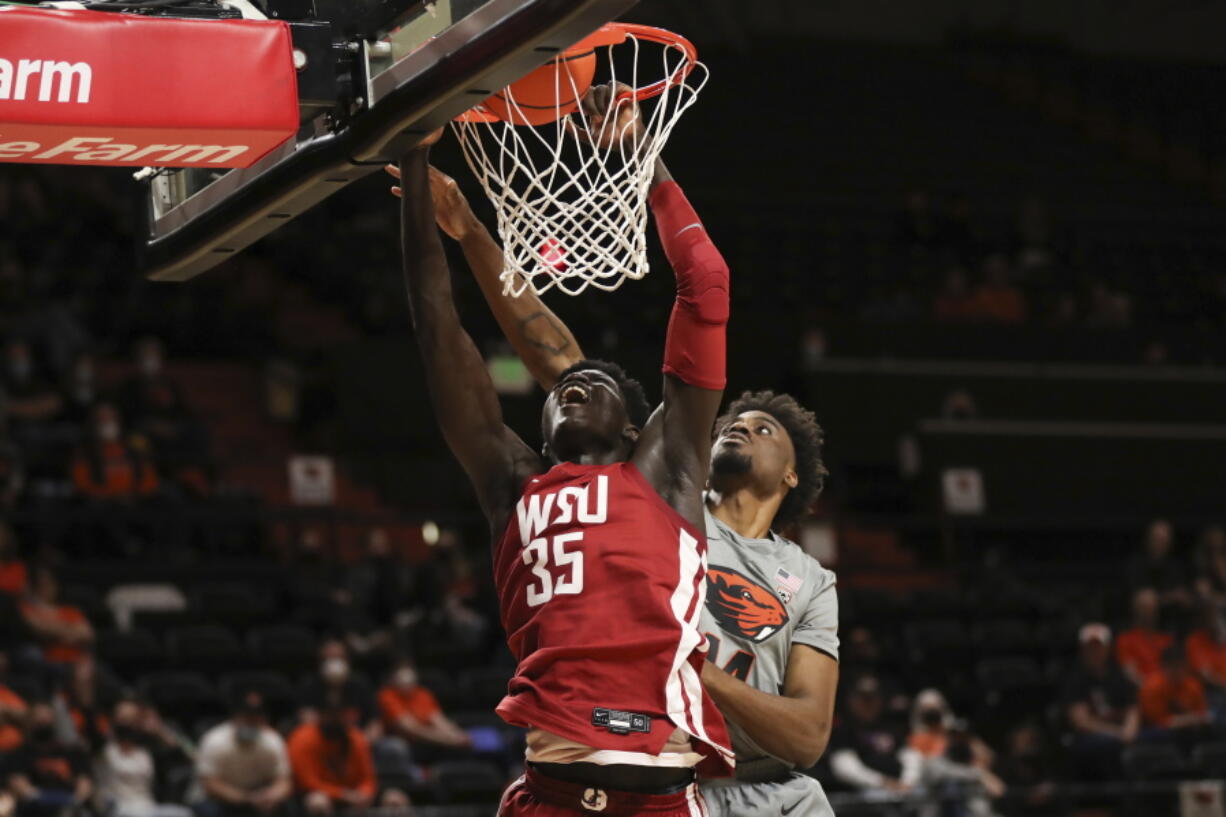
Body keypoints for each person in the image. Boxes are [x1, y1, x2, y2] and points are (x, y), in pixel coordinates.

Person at [389, 122, 837, 817]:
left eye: (593, 385)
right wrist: (418, 166)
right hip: (556, 786)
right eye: (564, 388)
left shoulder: (668, 479)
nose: (573, 384)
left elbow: (705, 285)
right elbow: (439, 321)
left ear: (635, 429)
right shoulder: (518, 482)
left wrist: (647, 165)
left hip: (683, 788)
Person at [286, 701, 406, 816]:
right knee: (318, 802)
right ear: (321, 715)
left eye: (340, 714)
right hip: (322, 795)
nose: (336, 719)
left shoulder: (356, 738)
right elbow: (307, 782)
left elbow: (368, 778)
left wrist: (364, 793)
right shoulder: (302, 738)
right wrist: (342, 795)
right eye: (331, 714)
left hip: (353, 795)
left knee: (395, 799)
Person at [194, 692, 293, 817]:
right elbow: (210, 784)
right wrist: (245, 798)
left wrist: (272, 795)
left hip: (257, 795)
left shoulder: (272, 741)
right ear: (235, 717)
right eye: (247, 717)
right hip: (219, 799)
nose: (251, 722)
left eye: (256, 718)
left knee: (285, 807)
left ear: (264, 720)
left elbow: (284, 781)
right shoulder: (214, 741)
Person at [1061, 623, 1138, 780]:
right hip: (1090, 738)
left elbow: (1132, 710)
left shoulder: (1120, 678)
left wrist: (1129, 731)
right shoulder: (1075, 681)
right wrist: (1117, 734)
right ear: (1082, 650)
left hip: (1121, 734)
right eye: (1090, 647)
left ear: (1108, 649)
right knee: (1109, 747)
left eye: (1098, 647)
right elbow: (1081, 722)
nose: (1094, 652)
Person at [95, 699, 193, 817]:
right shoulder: (104, 748)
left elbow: (186, 758)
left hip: (148, 806)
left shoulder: (146, 750)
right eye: (123, 719)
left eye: (133, 720)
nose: (128, 725)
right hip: (119, 807)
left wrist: (159, 730)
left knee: (184, 814)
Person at [827, 676, 917, 795]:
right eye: (863, 698)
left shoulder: (890, 726)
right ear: (851, 700)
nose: (868, 703)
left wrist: (907, 782)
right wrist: (883, 782)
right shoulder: (844, 729)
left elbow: (910, 756)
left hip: (901, 787)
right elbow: (844, 768)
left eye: (873, 698)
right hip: (863, 792)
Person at [4, 700, 92, 817]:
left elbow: (84, 782)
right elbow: (19, 786)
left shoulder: (71, 752)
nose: (43, 721)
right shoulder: (18, 754)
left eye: (47, 718)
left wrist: (76, 799)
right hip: (34, 810)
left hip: (70, 810)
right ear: (29, 722)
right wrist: (46, 798)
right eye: (38, 719)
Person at [377, 657, 469, 751]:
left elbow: (439, 720)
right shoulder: (387, 696)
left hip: (430, 737)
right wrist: (447, 740)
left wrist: (457, 734)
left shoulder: (422, 694)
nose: (407, 685)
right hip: (405, 740)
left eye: (411, 682)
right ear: (393, 680)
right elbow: (410, 729)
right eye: (402, 681)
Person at [1138, 644, 1214, 747]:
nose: (1179, 671)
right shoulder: (1152, 687)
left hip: (1190, 729)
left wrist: (1195, 719)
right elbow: (1158, 722)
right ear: (1163, 666)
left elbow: (1202, 713)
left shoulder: (1192, 685)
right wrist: (1191, 719)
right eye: (1174, 667)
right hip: (1156, 731)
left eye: (1182, 666)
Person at [18, 567, 92, 667]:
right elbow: (40, 630)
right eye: (41, 585)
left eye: (50, 583)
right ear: (33, 587)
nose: (48, 588)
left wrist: (56, 631)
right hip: (50, 661)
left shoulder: (70, 610)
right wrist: (70, 629)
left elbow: (87, 634)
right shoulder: (27, 609)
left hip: (78, 661)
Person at [1116, 587, 1172, 685]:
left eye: (1152, 607)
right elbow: (1130, 673)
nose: (1149, 612)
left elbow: (1173, 669)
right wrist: (1151, 689)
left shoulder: (1166, 639)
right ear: (1135, 609)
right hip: (1143, 692)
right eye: (1144, 607)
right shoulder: (1125, 640)